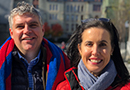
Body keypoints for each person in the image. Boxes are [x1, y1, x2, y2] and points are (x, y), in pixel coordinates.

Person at [0, 1, 70, 90]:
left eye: (33, 25)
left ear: (43, 30)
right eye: (20, 26)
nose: (27, 31)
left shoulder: (64, 62)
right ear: (11, 33)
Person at [56, 18, 130, 90]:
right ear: (80, 49)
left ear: (112, 49)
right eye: (89, 44)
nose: (95, 52)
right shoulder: (63, 88)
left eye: (102, 45)